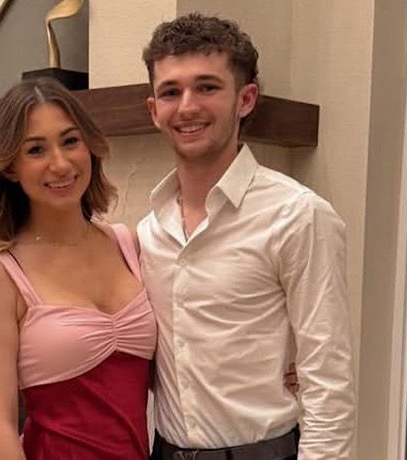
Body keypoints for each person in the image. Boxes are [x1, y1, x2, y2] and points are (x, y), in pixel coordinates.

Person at [138, 13, 356, 460]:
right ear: (154, 110)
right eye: (171, 92)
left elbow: (328, 380)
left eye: (207, 87)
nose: (187, 107)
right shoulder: (149, 231)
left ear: (245, 99)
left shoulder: (297, 215)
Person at [0, 77, 157, 460]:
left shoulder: (127, 244)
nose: (60, 164)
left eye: (70, 141)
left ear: (89, 146)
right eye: (36, 149)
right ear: (11, 168)